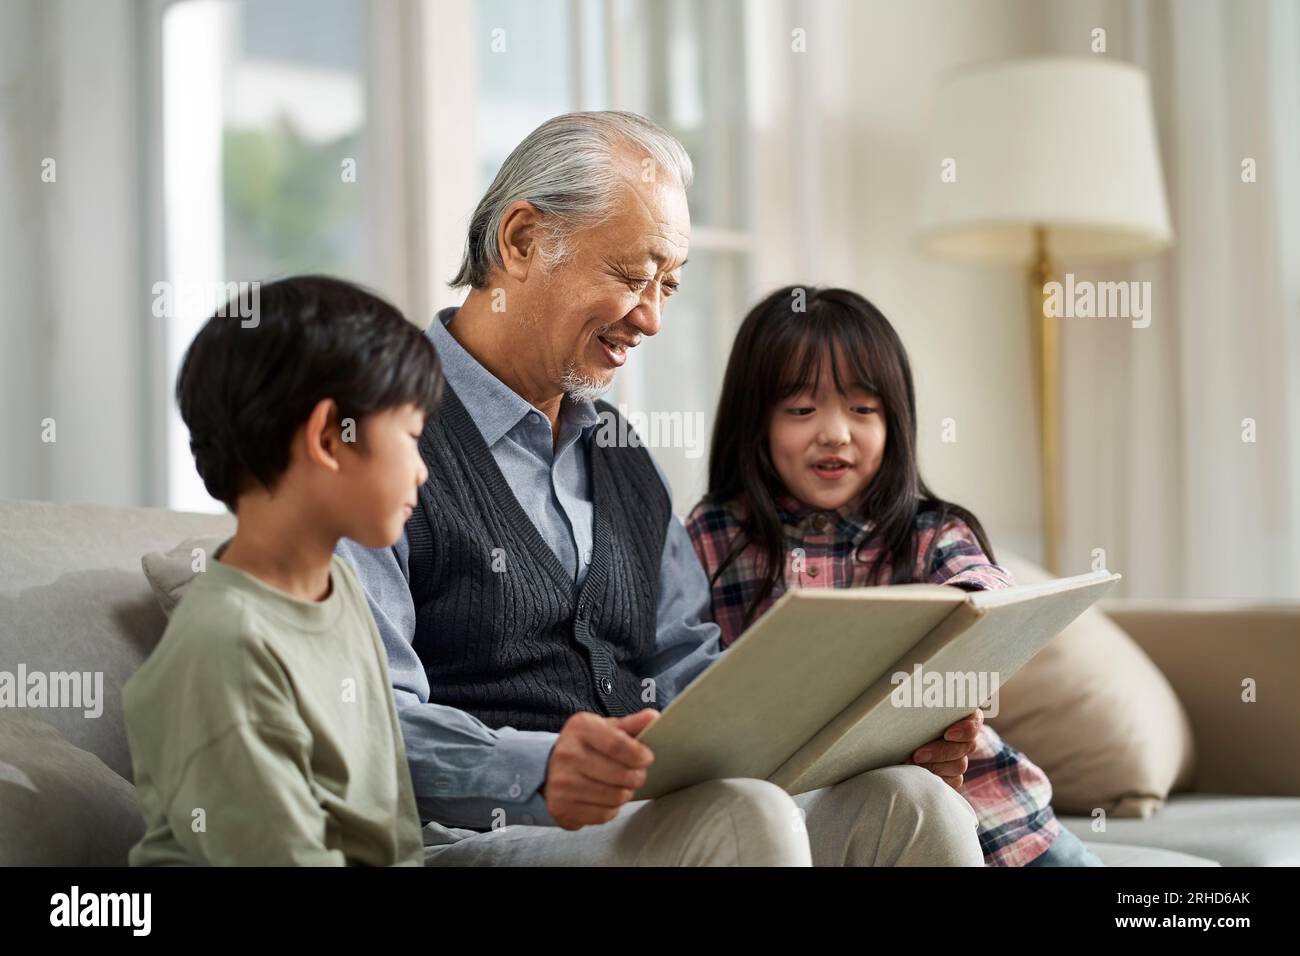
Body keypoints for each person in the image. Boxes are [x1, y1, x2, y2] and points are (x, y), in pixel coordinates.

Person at [338, 111, 987, 866]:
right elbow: (367, 714)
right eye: (631, 276)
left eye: (669, 286)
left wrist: (866, 735)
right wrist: (539, 768)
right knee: (745, 819)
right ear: (521, 241)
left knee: (910, 805)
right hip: (472, 836)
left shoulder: (619, 453)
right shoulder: (377, 438)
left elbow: (687, 670)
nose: (650, 318)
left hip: (646, 818)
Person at [684, 285, 1104, 866]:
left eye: (863, 409)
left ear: (894, 419)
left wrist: (963, 626)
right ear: (755, 423)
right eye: (802, 410)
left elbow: (988, 598)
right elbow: (684, 675)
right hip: (833, 826)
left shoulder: (929, 530)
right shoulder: (713, 537)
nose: (835, 432)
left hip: (998, 817)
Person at [124, 276, 442, 865]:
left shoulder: (339, 587)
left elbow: (390, 831)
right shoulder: (226, 647)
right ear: (328, 437)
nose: (422, 471)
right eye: (413, 436)